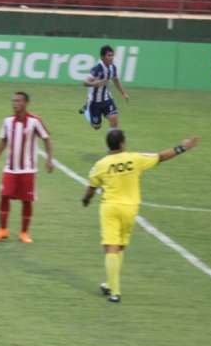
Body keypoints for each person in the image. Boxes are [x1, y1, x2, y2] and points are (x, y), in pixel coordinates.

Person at [82, 130, 198, 303]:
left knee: (110, 248)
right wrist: (183, 147)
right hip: (130, 208)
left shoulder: (101, 164)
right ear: (122, 143)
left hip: (110, 208)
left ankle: (115, 291)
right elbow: (161, 156)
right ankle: (109, 284)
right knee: (120, 247)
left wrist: (86, 199)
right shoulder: (135, 159)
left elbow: (92, 187)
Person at [0, 91, 52, 243]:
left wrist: (49, 159)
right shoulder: (7, 121)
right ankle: (2, 230)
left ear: (26, 103)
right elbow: (3, 141)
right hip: (10, 168)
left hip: (28, 170)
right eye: (13, 101)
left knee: (26, 200)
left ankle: (24, 232)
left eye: (18, 101)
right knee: (4, 196)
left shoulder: (35, 121)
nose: (15, 103)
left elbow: (47, 139)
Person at [80, 45, 129, 131]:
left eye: (112, 55)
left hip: (107, 99)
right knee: (96, 127)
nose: (111, 57)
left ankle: (113, 143)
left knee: (114, 120)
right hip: (94, 102)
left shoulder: (113, 67)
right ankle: (86, 110)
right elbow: (85, 82)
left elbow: (116, 80)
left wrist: (123, 93)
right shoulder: (97, 69)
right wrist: (94, 83)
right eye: (109, 55)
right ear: (102, 57)